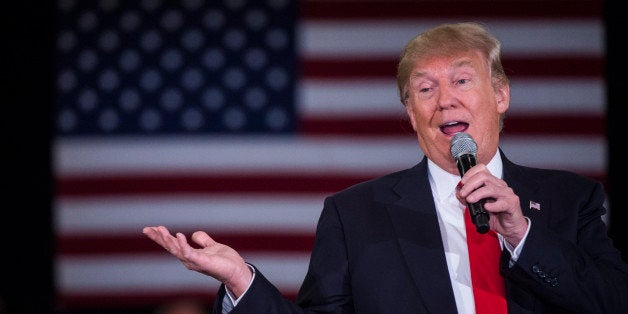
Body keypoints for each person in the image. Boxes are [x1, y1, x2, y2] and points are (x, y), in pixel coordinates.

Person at [143, 22, 628, 313]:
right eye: (425, 89)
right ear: (409, 113)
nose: (445, 100)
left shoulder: (570, 199)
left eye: (462, 78)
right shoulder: (354, 215)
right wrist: (242, 281)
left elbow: (612, 302)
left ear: (500, 94)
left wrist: (522, 233)